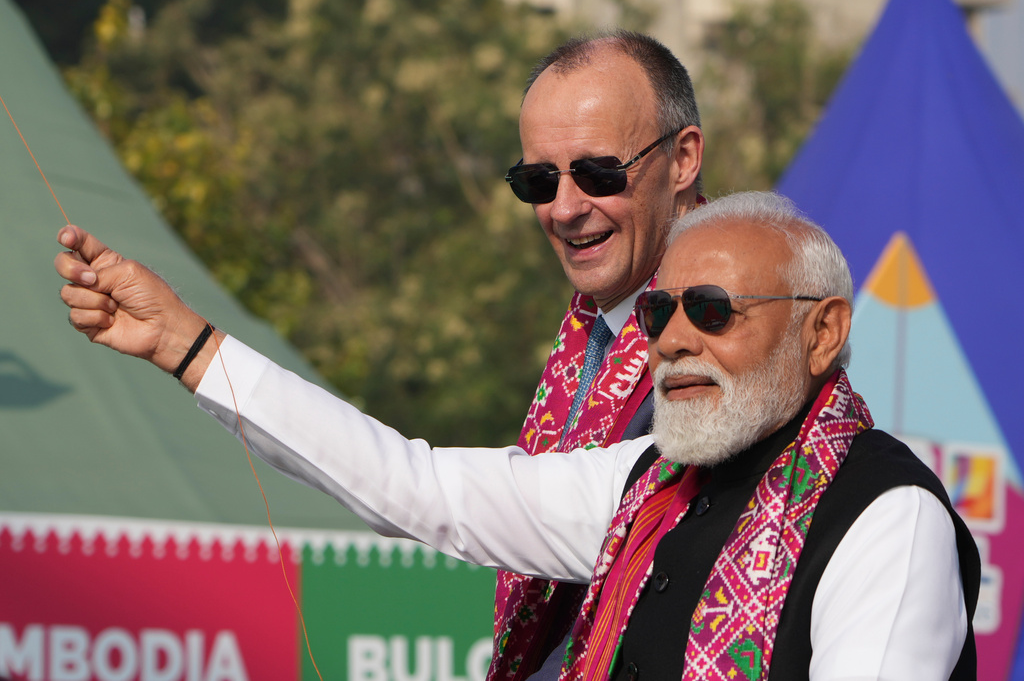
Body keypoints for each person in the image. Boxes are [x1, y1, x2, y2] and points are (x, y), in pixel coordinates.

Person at [55, 191, 978, 680]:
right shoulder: (642, 489)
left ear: (822, 331)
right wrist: (190, 346)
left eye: (712, 308)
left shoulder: (885, 517)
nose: (676, 338)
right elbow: (414, 483)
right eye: (660, 310)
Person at [497, 31, 703, 678]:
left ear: (684, 157)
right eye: (538, 180)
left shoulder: (724, 341)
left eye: (598, 173)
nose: (564, 208)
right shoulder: (590, 332)